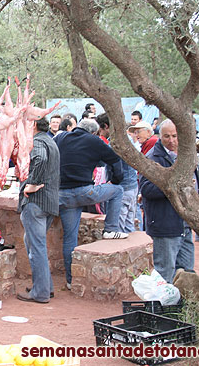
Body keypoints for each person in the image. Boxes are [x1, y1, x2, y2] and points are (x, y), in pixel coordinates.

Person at [55, 119, 125, 289]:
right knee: (118, 191)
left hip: (61, 195)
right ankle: (110, 229)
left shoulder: (61, 137)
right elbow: (115, 160)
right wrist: (115, 180)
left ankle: (71, 281)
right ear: (93, 132)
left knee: (69, 238)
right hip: (83, 191)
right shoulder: (94, 140)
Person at [140, 120, 195, 283]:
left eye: (174, 136)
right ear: (159, 136)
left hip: (183, 224)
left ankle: (184, 306)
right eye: (167, 137)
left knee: (187, 273)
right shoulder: (152, 159)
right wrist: (174, 187)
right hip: (164, 225)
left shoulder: (184, 155)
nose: (171, 140)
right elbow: (147, 189)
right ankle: (164, 306)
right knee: (165, 273)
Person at [16, 117, 60, 304]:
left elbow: (40, 159)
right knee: (34, 244)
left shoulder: (38, 142)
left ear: (32, 124)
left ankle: (40, 292)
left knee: (37, 247)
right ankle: (45, 286)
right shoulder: (50, 140)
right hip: (49, 202)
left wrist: (31, 184)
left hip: (36, 202)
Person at [96, 113, 138, 233]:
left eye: (101, 129)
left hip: (123, 188)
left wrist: (113, 181)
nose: (100, 132)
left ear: (105, 126)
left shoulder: (115, 144)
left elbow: (117, 167)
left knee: (118, 227)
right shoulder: (127, 139)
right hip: (132, 186)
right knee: (129, 225)